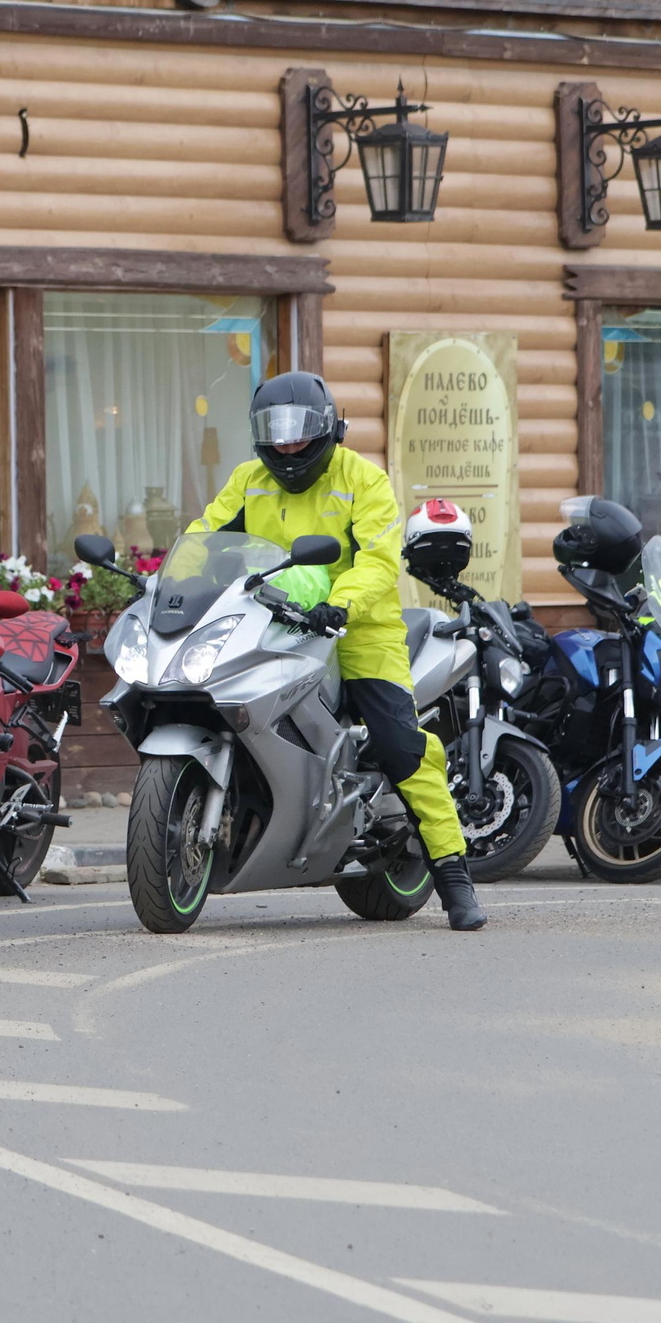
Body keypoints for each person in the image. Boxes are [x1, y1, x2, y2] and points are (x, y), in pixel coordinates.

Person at [189, 371, 481, 931]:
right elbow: (208, 535)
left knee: (401, 747)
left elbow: (377, 558)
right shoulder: (249, 479)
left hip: (360, 629)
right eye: (274, 431)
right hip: (273, 624)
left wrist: (342, 604)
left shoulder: (363, 480)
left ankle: (452, 873)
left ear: (327, 429)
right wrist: (169, 580)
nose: (287, 443)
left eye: (299, 431)